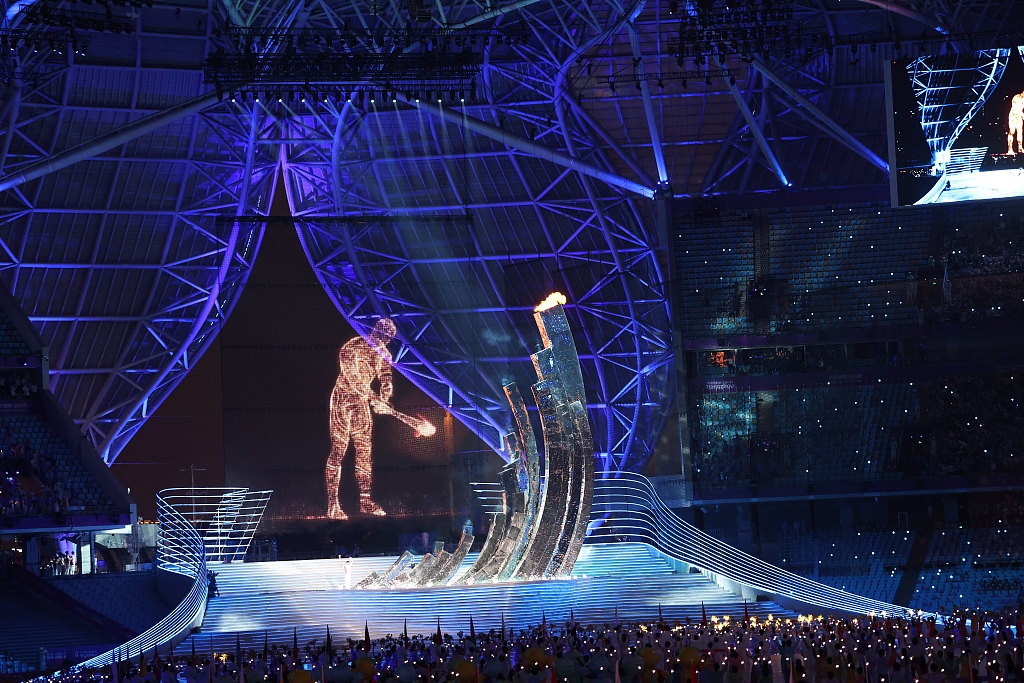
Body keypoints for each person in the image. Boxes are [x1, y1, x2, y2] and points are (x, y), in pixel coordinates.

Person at [325, 318, 434, 520]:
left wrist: (385, 399)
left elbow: (386, 379)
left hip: (361, 404)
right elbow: (355, 382)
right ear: (374, 331)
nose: (382, 340)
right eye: (380, 334)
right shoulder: (351, 348)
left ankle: (365, 501)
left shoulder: (384, 354)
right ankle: (333, 505)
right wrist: (376, 400)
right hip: (343, 399)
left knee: (364, 451)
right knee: (339, 449)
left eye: (387, 338)